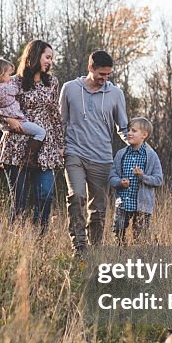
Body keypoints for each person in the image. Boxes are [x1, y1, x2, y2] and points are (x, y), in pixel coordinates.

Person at [0, 40, 65, 232]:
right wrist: (8, 119)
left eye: (51, 58)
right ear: (34, 55)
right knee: (19, 200)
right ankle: (16, 242)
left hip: (45, 147)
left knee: (45, 195)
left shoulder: (52, 83)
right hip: (16, 145)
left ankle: (39, 240)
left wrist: (60, 144)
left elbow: (55, 115)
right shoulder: (13, 81)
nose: (50, 62)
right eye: (47, 57)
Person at [59, 50, 129, 255]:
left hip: (102, 158)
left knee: (98, 209)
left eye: (108, 75)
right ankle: (79, 247)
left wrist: (136, 147)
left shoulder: (115, 93)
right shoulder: (70, 89)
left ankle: (95, 249)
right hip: (74, 153)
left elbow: (123, 127)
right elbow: (60, 122)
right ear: (91, 68)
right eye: (101, 74)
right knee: (76, 197)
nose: (104, 79)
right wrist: (58, 147)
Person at [0, 57, 46, 167]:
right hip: (17, 121)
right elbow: (15, 89)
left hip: (7, 124)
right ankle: (29, 157)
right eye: (8, 74)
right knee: (41, 132)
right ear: (0, 75)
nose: (11, 77)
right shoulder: (5, 89)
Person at [109, 117, 163, 245]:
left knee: (140, 237)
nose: (129, 133)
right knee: (117, 232)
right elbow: (112, 176)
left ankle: (138, 260)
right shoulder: (121, 154)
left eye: (134, 130)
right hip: (123, 203)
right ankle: (119, 256)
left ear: (144, 135)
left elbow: (158, 179)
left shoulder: (151, 156)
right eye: (128, 130)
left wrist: (143, 177)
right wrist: (120, 182)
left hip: (142, 205)